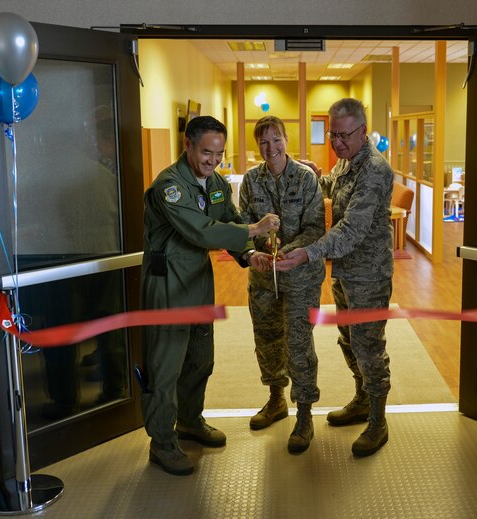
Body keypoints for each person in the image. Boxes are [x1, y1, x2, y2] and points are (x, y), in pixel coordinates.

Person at [140, 115, 279, 476]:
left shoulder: (215, 182)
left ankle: (189, 422)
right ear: (187, 145)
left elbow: (228, 219)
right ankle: (162, 442)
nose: (213, 161)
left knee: (200, 357)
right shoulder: (169, 186)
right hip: (168, 282)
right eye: (206, 153)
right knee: (166, 365)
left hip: (198, 279)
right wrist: (255, 228)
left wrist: (250, 253)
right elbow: (201, 231)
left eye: (218, 154)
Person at [276, 98, 394, 457]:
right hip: (345, 272)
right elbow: (336, 189)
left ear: (362, 131)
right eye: (332, 134)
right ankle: (361, 399)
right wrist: (318, 175)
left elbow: (351, 228)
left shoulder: (374, 168)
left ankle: (378, 420)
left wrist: (308, 252)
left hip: (369, 275)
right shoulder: (348, 161)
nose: (336, 142)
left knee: (369, 348)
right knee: (348, 340)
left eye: (343, 135)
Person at [239, 116, 326, 453]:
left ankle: (304, 414)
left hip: (300, 275)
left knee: (298, 343)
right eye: (263, 142)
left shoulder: (305, 179)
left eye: (276, 140)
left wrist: (286, 253)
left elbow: (316, 227)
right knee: (267, 338)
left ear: (286, 140)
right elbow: (241, 224)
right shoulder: (250, 180)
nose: (270, 148)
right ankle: (276, 399)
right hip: (263, 276)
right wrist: (250, 253)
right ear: (257, 145)